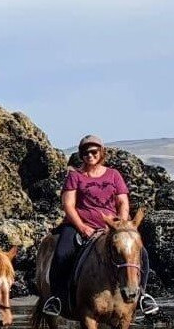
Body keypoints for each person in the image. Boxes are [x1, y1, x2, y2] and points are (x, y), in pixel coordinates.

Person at [43, 135, 158, 316]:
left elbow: (122, 203)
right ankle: (56, 298)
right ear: (81, 155)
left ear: (101, 153)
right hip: (80, 225)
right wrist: (82, 227)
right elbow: (68, 205)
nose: (90, 155)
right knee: (62, 253)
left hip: (111, 228)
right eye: (85, 152)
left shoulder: (114, 175)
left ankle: (142, 296)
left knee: (141, 252)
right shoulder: (75, 176)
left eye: (94, 151)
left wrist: (119, 225)